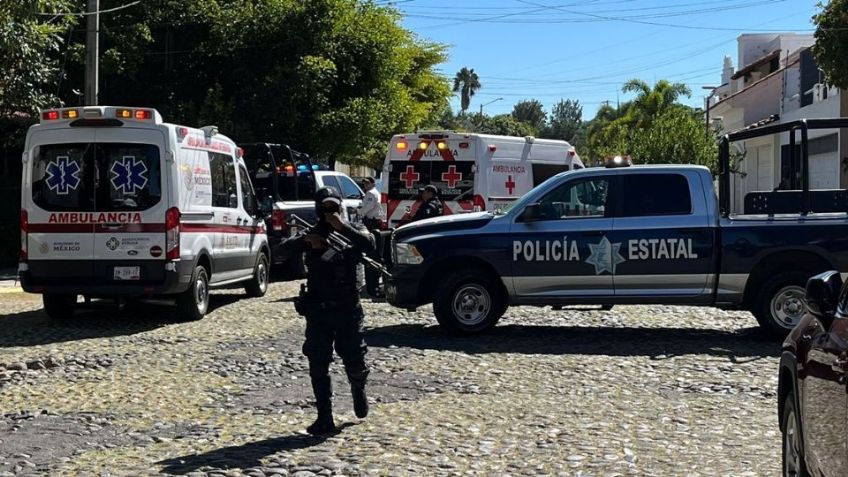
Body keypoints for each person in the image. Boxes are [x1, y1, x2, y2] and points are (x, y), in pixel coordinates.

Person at [283, 186, 375, 435]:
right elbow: (282, 250)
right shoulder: (312, 232)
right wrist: (305, 241)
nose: (329, 212)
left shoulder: (353, 231)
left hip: (347, 307)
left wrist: (342, 227)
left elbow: (371, 245)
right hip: (318, 309)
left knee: (355, 358)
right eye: (325, 208)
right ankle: (324, 416)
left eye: (333, 207)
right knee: (318, 363)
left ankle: (358, 390)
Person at [357, 177, 385, 298]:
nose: (365, 185)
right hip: (375, 221)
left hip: (372, 222)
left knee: (372, 248)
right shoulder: (375, 192)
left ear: (372, 183)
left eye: (367, 183)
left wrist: (358, 212)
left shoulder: (370, 193)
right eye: (364, 183)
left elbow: (367, 208)